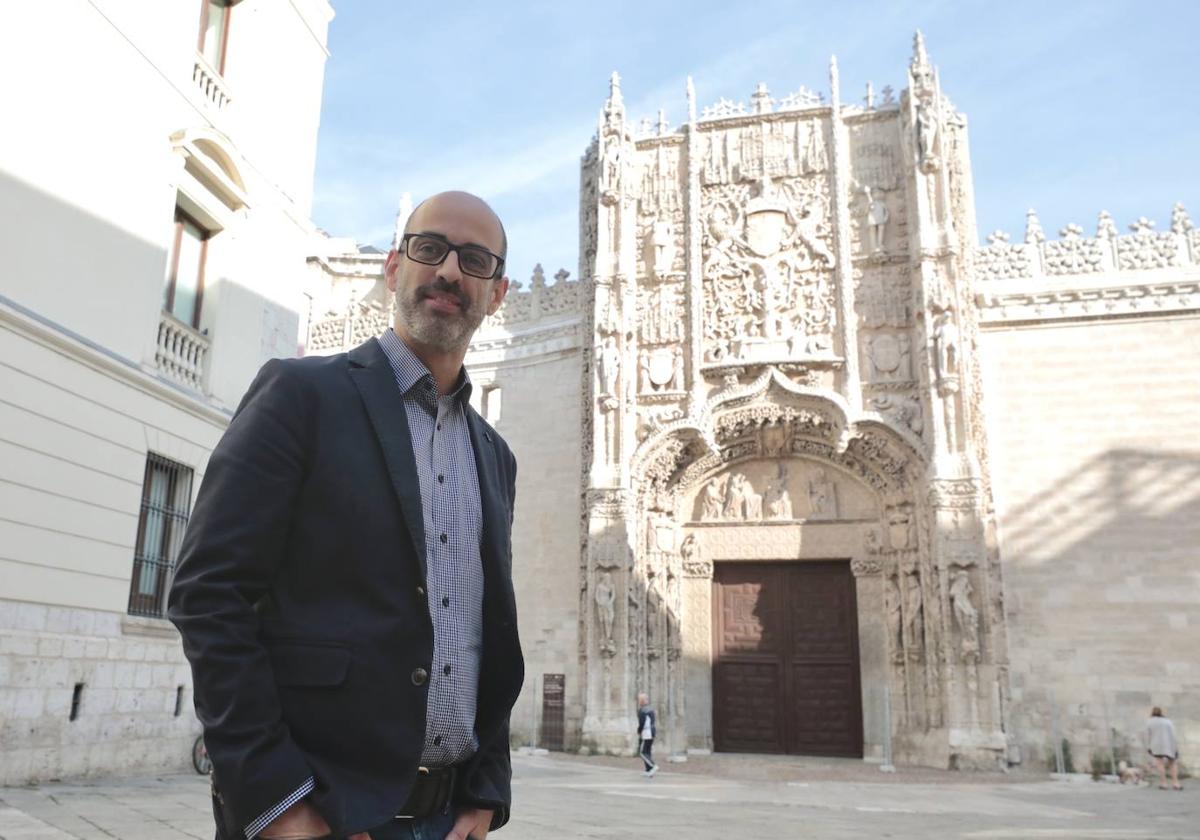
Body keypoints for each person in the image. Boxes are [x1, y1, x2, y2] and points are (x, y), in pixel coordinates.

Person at [169, 191, 524, 840]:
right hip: (321, 815)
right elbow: (207, 595)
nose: (448, 270)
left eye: (474, 260)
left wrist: (486, 789)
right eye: (429, 248)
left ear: (497, 294)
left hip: (448, 818)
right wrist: (278, 803)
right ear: (394, 269)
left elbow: (485, 629)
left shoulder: (495, 456)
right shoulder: (302, 396)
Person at [1146, 706, 1182, 790]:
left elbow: (1148, 735)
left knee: (1160, 763)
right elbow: (1173, 734)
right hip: (1169, 744)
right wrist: (1175, 746)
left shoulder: (1149, 722)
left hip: (1156, 745)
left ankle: (1164, 783)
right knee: (1172, 763)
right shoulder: (1168, 721)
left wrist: (1149, 746)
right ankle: (1176, 783)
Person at [636, 693, 658, 778]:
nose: (639, 701)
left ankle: (653, 766)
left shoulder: (643, 710)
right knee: (647, 751)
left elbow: (642, 723)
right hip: (652, 732)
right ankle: (649, 770)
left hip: (646, 733)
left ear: (641, 701)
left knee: (642, 752)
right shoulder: (651, 709)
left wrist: (639, 731)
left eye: (639, 700)